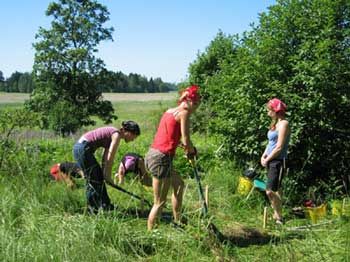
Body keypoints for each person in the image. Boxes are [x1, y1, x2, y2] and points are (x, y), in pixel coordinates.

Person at [146, 85, 200, 230]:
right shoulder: (184, 113)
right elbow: (186, 138)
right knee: (159, 202)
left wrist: (180, 144)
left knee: (178, 185)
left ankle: (178, 220)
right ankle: (151, 234)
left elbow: (170, 134)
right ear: (188, 101)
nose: (195, 108)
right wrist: (192, 150)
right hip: (161, 158)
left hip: (154, 154)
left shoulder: (169, 111)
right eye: (195, 104)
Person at [73, 121, 140, 213]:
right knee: (93, 179)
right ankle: (93, 209)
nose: (133, 139)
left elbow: (105, 157)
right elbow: (110, 157)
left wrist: (104, 173)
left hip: (82, 148)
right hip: (82, 148)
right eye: (134, 136)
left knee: (98, 176)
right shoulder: (116, 135)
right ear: (127, 131)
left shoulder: (114, 135)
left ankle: (106, 205)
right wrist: (108, 176)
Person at [260, 98, 290, 225]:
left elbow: (279, 147)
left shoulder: (284, 124)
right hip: (271, 159)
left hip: (278, 160)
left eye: (269, 110)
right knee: (276, 189)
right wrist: (263, 155)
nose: (267, 113)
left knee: (270, 191)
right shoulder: (275, 124)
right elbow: (270, 143)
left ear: (276, 111)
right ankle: (277, 213)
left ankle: (279, 218)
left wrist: (268, 158)